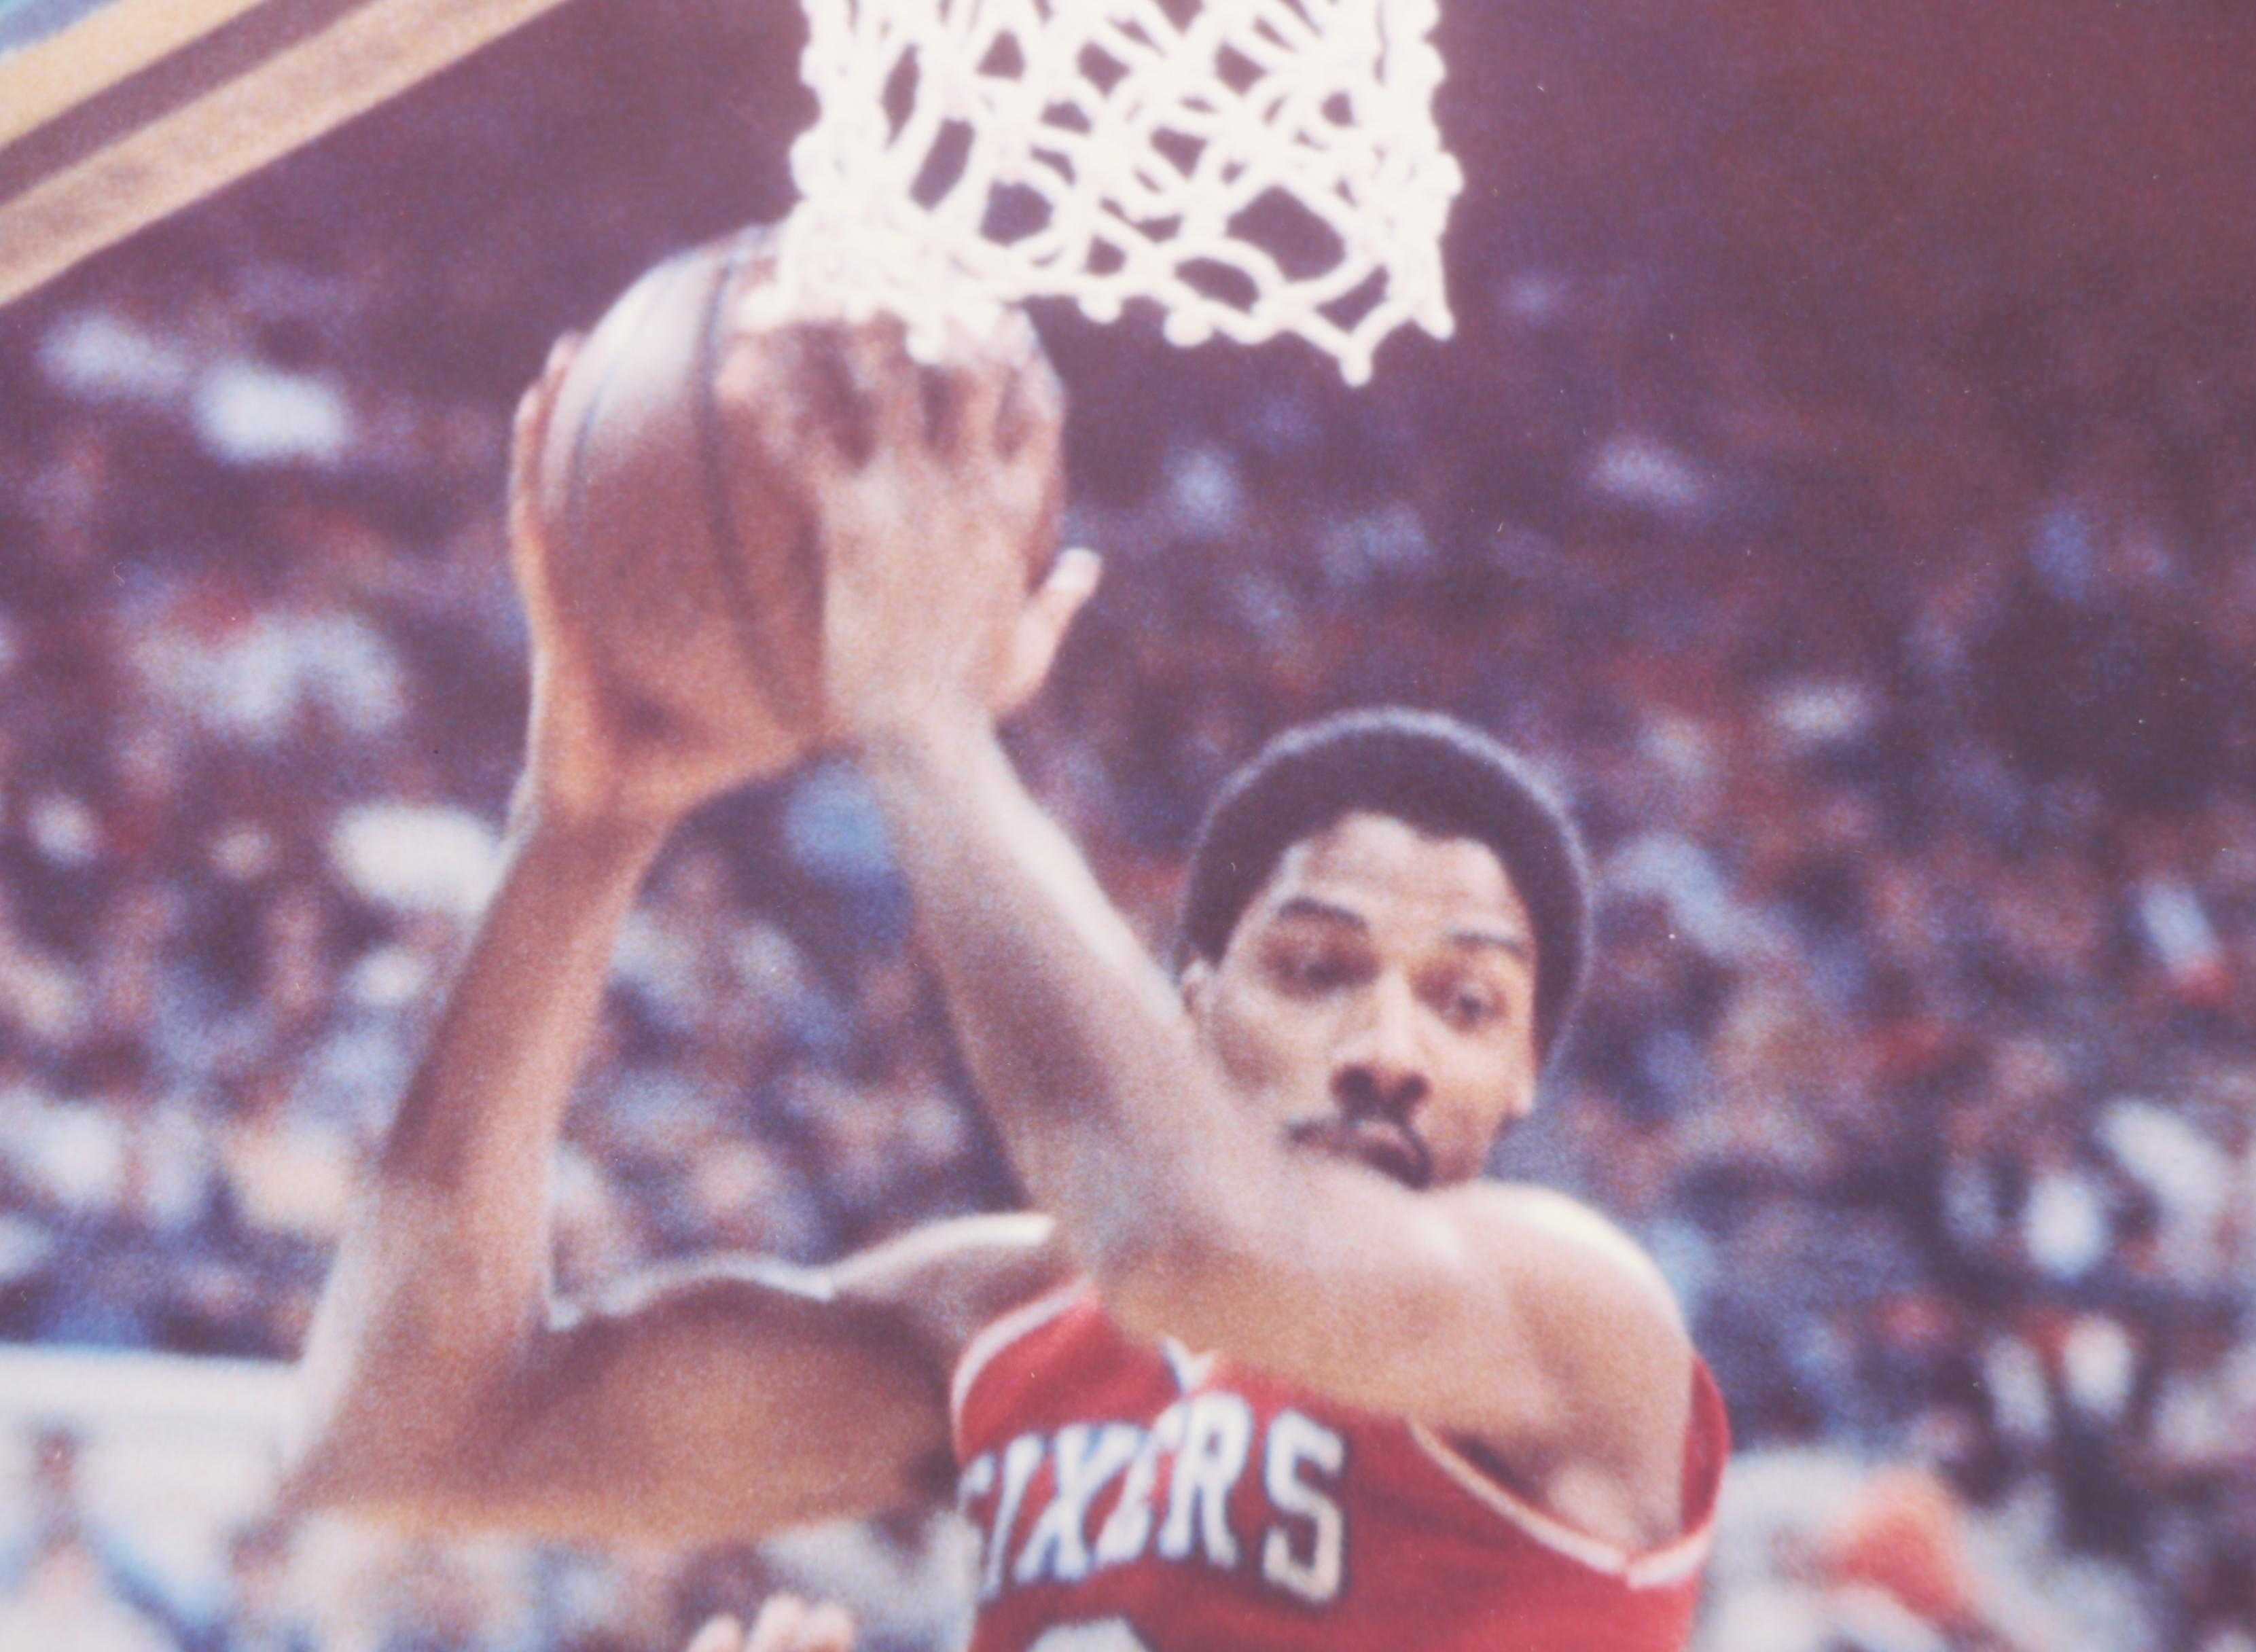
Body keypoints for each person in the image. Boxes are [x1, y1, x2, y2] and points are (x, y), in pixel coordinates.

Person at [284, 317, 1727, 1651]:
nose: (1389, 1046)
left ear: (1527, 1074)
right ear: (1191, 1005)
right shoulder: (998, 1325)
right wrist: (579, 837)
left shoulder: (1577, 1316)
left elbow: (1180, 1240)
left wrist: (917, 715)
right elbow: (409, 1438)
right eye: (1318, 968)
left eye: (1467, 1003)